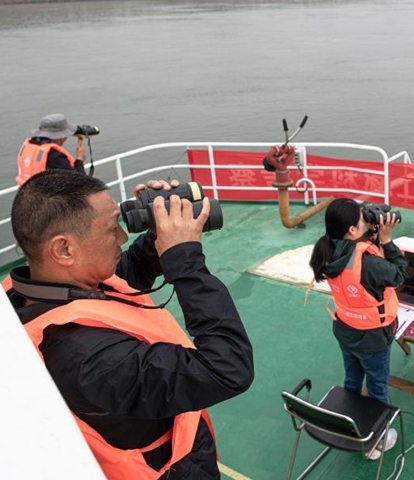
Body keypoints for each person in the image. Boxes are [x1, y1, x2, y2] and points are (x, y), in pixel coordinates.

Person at [5, 170, 254, 479]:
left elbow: (124, 275)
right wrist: (185, 261)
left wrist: (158, 233)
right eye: (112, 229)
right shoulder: (87, 357)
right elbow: (228, 368)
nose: (123, 238)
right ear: (64, 249)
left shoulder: (35, 287)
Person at [308, 198, 407, 459]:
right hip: (373, 339)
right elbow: (398, 274)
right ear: (352, 230)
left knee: (352, 379)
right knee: (377, 387)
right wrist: (386, 240)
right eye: (361, 220)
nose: (366, 221)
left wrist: (371, 238)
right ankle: (375, 440)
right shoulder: (370, 263)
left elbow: (354, 263)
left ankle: (347, 424)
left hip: (345, 329)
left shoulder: (325, 250)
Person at [16, 113, 86, 186]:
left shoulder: (28, 147)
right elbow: (79, 183)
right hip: (46, 195)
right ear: (61, 137)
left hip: (27, 193)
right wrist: (79, 160)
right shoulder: (54, 156)